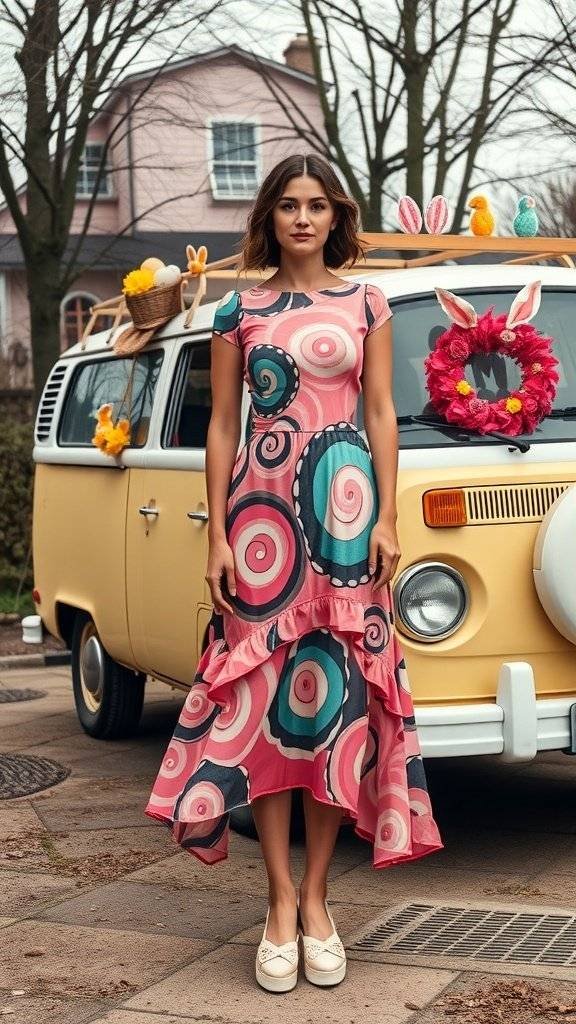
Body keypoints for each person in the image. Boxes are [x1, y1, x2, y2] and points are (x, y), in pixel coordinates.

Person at [144, 152, 444, 992]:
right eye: (288, 205)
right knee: (263, 709)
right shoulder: (238, 310)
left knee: (336, 705)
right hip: (261, 522)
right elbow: (219, 428)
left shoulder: (368, 302)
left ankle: (318, 899)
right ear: (269, 217)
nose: (303, 218)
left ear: (333, 214)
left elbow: (381, 412)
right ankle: (276, 899)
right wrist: (216, 536)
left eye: (316, 205)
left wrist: (388, 514)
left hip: (348, 524)